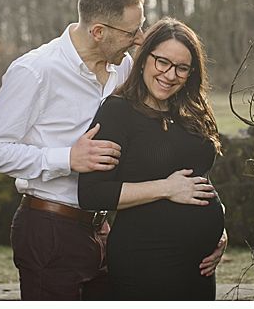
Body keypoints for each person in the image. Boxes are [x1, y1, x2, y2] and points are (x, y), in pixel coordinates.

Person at [0, 0, 226, 300]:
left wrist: (211, 226)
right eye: (131, 32)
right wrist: (66, 158)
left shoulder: (123, 70)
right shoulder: (37, 71)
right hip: (51, 223)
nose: (139, 40)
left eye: (141, 28)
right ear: (98, 32)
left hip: (103, 228)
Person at [77, 18, 226, 300]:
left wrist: (220, 229)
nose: (170, 75)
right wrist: (166, 188)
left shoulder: (191, 111)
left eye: (182, 68)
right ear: (144, 59)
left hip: (200, 267)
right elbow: (91, 193)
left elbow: (197, 177)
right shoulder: (117, 112)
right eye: (162, 62)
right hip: (145, 261)